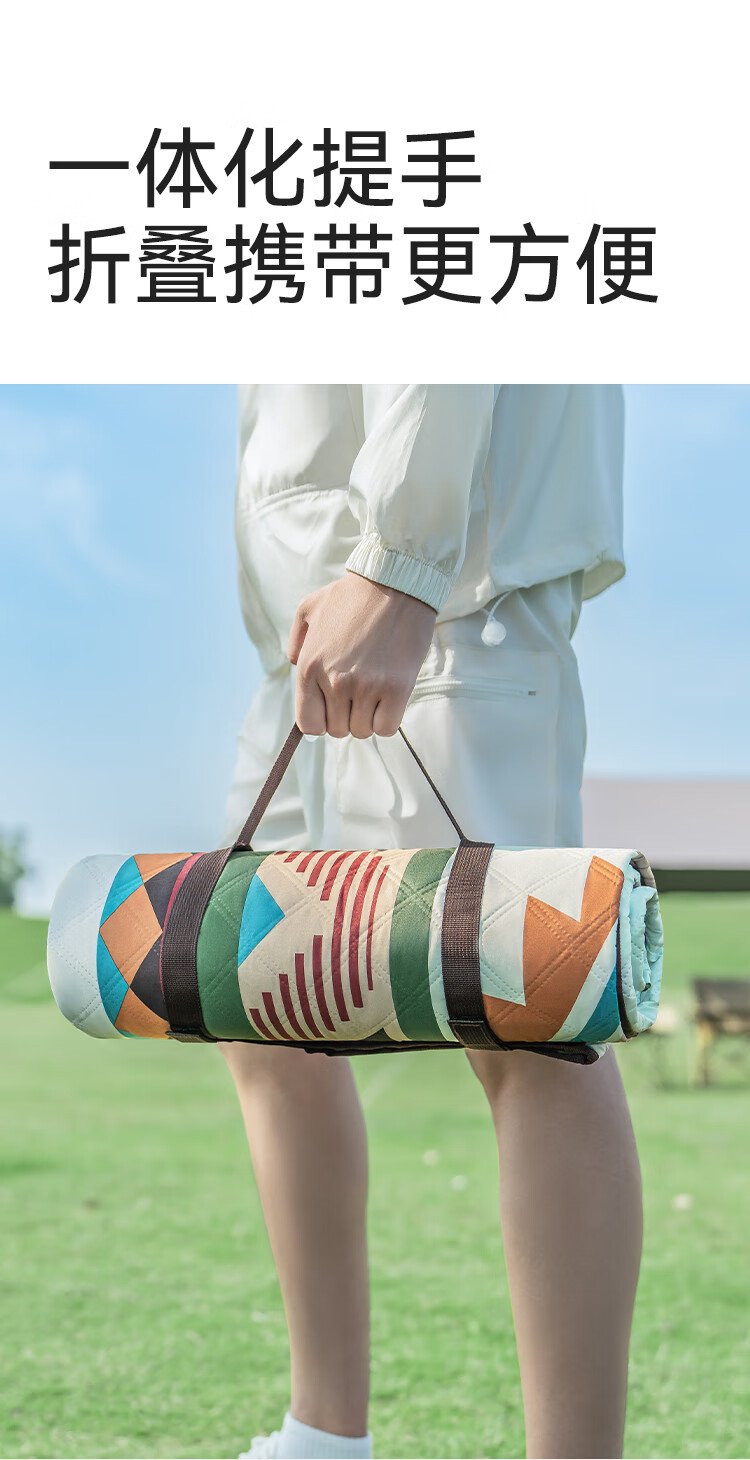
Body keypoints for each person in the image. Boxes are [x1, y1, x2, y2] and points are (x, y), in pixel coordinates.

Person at [220, 385, 642, 1460]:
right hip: (309, 621)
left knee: (527, 1007)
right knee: (256, 997)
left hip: (448, 590)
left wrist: (398, 566)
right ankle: (324, 1437)